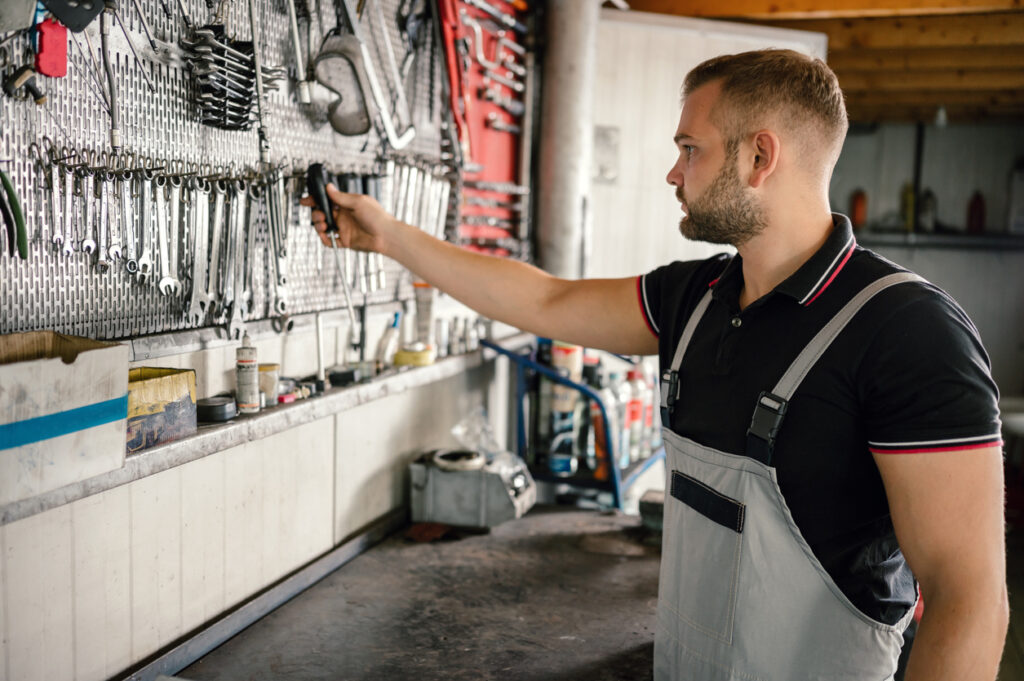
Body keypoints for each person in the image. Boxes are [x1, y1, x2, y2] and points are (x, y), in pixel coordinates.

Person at [302, 49, 1008, 681]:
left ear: (759, 158)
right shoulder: (694, 298)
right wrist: (390, 237)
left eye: (689, 148)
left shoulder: (909, 331)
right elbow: (545, 299)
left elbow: (967, 599)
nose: (673, 172)